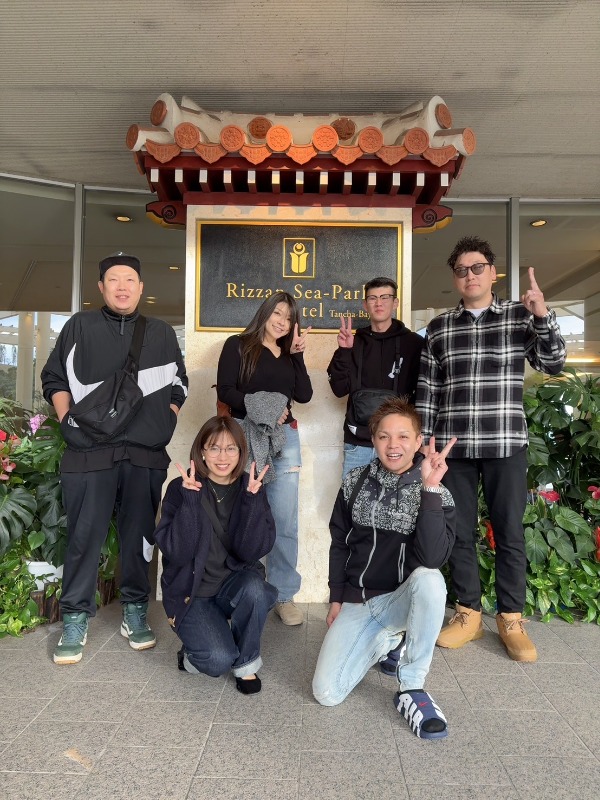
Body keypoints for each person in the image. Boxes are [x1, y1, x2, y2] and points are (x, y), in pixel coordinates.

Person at [416, 235, 566, 662]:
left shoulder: (520, 317)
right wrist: (425, 442)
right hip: (455, 447)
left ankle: (511, 618)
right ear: (455, 278)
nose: (470, 275)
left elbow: (553, 363)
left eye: (477, 267)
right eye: (462, 270)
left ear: (493, 273)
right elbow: (428, 388)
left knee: (510, 531)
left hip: (505, 442)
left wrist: (542, 316)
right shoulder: (440, 327)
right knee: (459, 530)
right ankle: (468, 613)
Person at [41, 252, 188, 665]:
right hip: (89, 452)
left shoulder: (161, 333)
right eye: (113, 280)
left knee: (140, 537)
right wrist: (66, 419)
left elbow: (180, 383)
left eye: (129, 280)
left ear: (141, 288)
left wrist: (166, 419)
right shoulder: (80, 327)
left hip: (144, 455)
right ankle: (75, 617)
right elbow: (54, 377)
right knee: (83, 537)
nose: (122, 286)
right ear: (101, 287)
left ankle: (135, 610)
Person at [312, 397, 456, 740]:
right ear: (373, 441)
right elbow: (339, 542)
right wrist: (337, 599)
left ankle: (412, 687)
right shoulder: (354, 482)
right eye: (384, 436)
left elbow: (432, 558)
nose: (394, 445)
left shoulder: (438, 492)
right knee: (326, 693)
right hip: (360, 602)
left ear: (418, 441)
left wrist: (430, 489)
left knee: (430, 579)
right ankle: (388, 641)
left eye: (403, 436)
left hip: (403, 600)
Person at [154, 416, 277, 693]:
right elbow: (176, 552)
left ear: (241, 452)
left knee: (255, 589)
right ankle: (192, 654)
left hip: (232, 586)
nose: (223, 457)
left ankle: (246, 665)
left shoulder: (251, 486)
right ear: (202, 451)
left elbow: (251, 552)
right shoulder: (182, 487)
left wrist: (252, 503)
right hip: (193, 593)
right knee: (218, 660)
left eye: (231, 448)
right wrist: (189, 503)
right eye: (214, 448)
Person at [216, 291, 312, 626]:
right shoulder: (238, 345)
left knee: (284, 521)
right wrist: (268, 408)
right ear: (265, 312)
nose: (282, 322)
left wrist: (298, 356)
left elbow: (304, 395)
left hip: (285, 441)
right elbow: (226, 391)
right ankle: (237, 589)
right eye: (278, 313)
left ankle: (283, 595)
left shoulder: (288, 355)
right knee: (239, 516)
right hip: (244, 437)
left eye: (289, 317)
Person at [327, 277, 423, 479]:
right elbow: (338, 389)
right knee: (352, 498)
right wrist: (344, 351)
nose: (379, 303)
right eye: (372, 298)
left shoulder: (414, 343)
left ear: (395, 303)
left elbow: (423, 391)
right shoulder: (354, 342)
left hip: (397, 444)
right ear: (365, 304)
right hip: (358, 442)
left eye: (385, 297)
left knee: (397, 499)